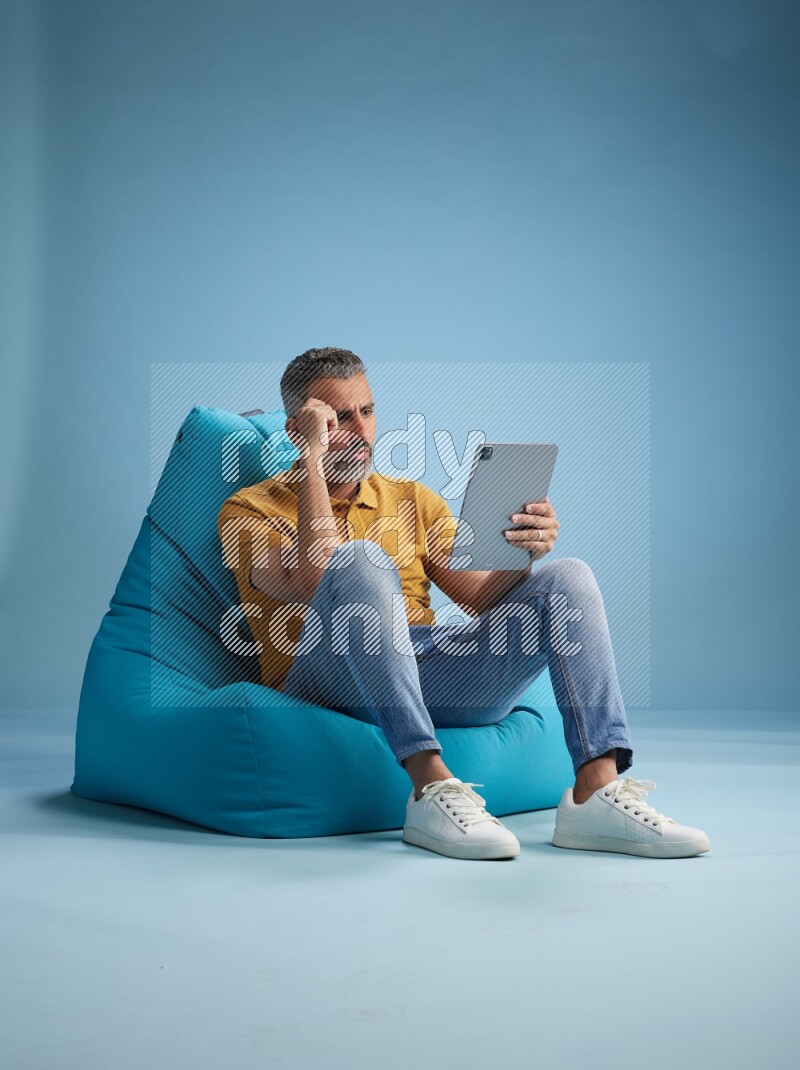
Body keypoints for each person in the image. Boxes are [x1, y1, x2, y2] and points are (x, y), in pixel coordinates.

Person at [217, 347, 710, 862]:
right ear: (300, 429)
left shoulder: (411, 499)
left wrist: (522, 554)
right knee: (360, 560)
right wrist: (313, 462)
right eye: (340, 418)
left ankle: (595, 791)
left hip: (424, 668)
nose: (362, 433)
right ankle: (430, 787)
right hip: (324, 675)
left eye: (367, 411)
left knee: (567, 577)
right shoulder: (247, 509)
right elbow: (315, 575)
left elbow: (479, 599)